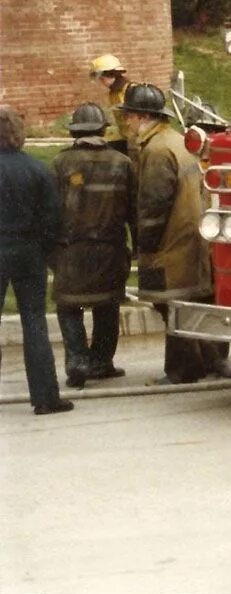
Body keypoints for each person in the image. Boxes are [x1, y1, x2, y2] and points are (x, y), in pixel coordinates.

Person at [116, 83, 231, 384]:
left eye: (130, 116)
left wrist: (145, 245)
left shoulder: (157, 151)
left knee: (171, 305)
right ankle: (214, 361)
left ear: (143, 117)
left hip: (169, 245)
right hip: (193, 240)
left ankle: (182, 370)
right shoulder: (177, 142)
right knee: (192, 304)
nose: (127, 123)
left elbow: (153, 204)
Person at [50, 102, 136, 388]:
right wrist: (136, 248)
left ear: (74, 132)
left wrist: (50, 252)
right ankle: (101, 362)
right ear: (103, 130)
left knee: (69, 307)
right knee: (107, 306)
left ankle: (77, 361)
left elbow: (49, 213)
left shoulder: (61, 164)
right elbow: (134, 212)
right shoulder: (122, 164)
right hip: (110, 249)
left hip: (71, 250)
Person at [0, 106, 74, 415]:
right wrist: (42, 248)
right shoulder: (37, 169)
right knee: (35, 322)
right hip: (29, 250)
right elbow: (54, 218)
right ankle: (45, 397)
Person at [89, 54, 135, 155]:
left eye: (102, 78)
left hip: (139, 142)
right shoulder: (113, 93)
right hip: (128, 140)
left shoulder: (131, 90)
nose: (101, 82)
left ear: (111, 74)